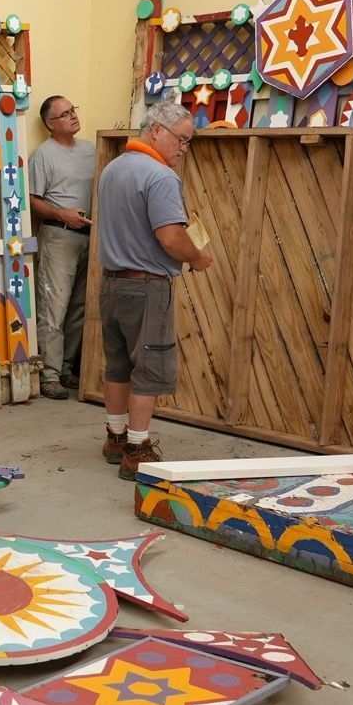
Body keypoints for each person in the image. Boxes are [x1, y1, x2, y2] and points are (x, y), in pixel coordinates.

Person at [97, 101, 212, 481]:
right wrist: (197, 258)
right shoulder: (160, 177)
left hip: (111, 283)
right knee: (149, 366)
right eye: (182, 139)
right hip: (146, 286)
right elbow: (171, 237)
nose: (184, 148)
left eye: (188, 141)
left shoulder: (112, 169)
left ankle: (115, 437)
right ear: (157, 130)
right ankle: (137, 449)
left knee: (118, 364)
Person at [28, 95, 95, 400]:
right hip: (59, 236)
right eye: (65, 114)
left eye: (73, 110)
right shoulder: (43, 155)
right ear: (50, 124)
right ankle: (50, 375)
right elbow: (33, 200)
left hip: (90, 237)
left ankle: (66, 368)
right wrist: (61, 214)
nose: (73, 116)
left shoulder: (90, 150)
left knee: (80, 306)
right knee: (54, 307)